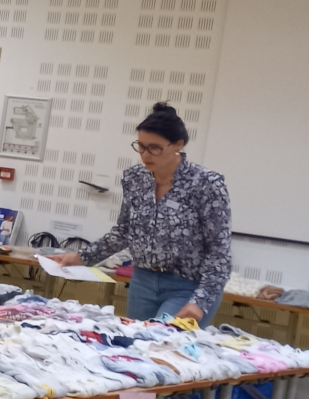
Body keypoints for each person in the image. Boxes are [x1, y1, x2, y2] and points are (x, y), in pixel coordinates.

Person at [56, 102, 230, 324]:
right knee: (136, 342)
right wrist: (82, 257)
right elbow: (124, 232)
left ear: (178, 145)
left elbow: (219, 253)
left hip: (187, 287)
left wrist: (200, 301)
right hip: (143, 282)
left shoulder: (206, 184)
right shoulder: (135, 178)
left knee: (162, 340)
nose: (145, 155)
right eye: (141, 146)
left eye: (155, 148)